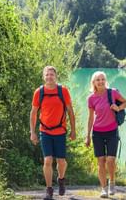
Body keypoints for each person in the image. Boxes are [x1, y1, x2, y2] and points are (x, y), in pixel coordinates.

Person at [30, 66, 76, 200]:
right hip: (45, 131)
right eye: (47, 75)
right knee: (48, 160)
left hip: (60, 131)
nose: (49, 77)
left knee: (61, 161)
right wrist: (32, 132)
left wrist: (73, 130)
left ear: (56, 76)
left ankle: (61, 179)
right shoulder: (39, 92)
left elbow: (70, 112)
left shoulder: (63, 91)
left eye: (52, 74)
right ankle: (49, 190)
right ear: (44, 77)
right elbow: (33, 113)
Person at [85, 71, 126, 198]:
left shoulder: (112, 93)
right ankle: (103, 188)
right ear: (93, 83)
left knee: (110, 160)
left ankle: (112, 182)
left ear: (105, 80)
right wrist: (87, 136)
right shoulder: (91, 98)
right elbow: (90, 118)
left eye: (103, 79)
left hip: (112, 131)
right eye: (98, 80)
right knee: (101, 161)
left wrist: (118, 108)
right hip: (97, 132)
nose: (101, 82)